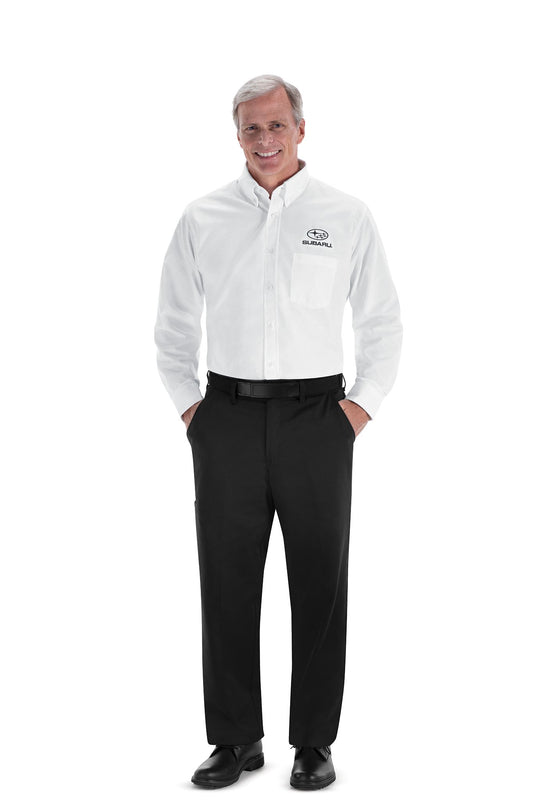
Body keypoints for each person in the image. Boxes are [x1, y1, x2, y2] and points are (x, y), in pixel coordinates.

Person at [154, 74, 403, 790]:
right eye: (251, 128)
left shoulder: (345, 215)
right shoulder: (202, 217)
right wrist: (195, 414)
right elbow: (173, 327)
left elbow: (382, 322)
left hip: (317, 419)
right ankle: (235, 739)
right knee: (225, 581)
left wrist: (356, 412)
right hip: (226, 418)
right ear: (237, 135)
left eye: (276, 125)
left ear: (300, 129)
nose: (265, 140)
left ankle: (313, 741)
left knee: (320, 580)